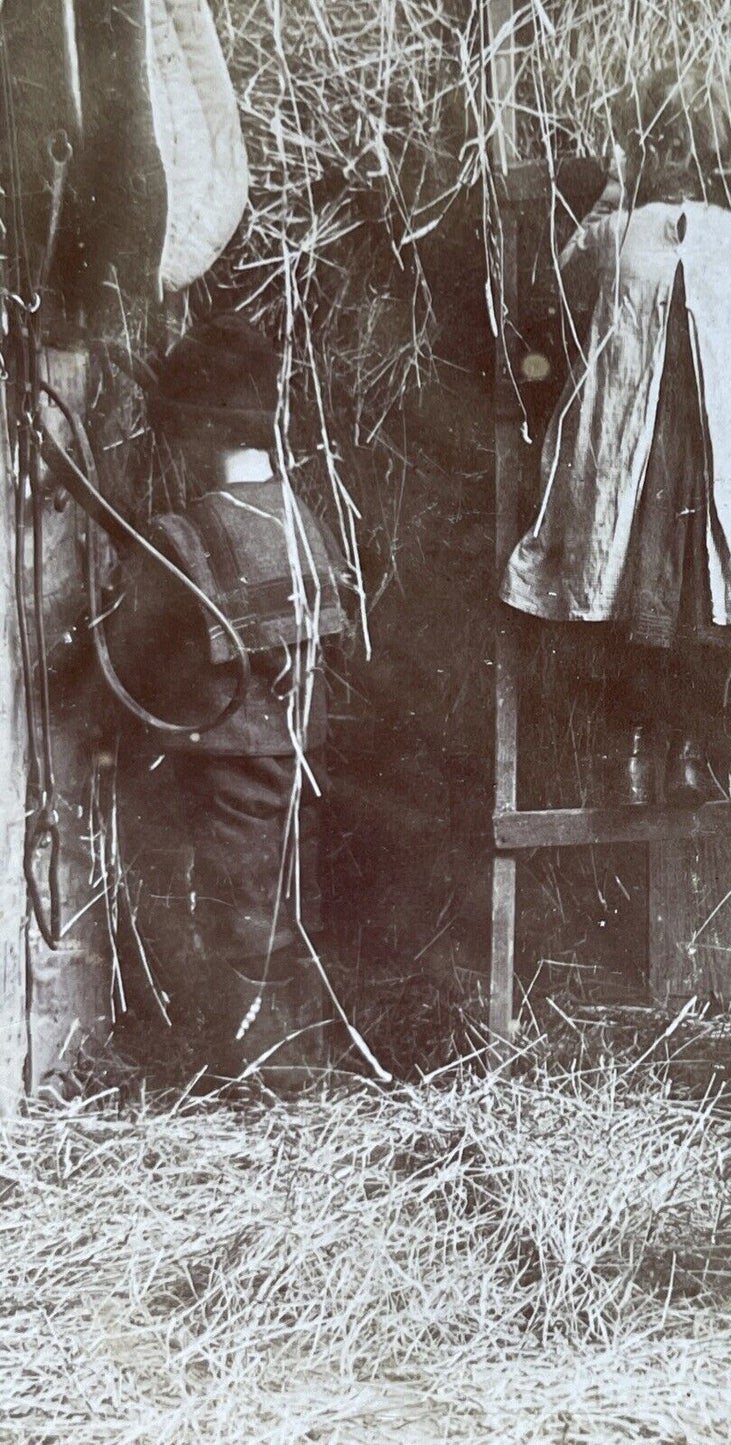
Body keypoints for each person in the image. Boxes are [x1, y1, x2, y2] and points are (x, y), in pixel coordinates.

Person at [499, 65, 731, 801]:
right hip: (685, 454)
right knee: (689, 592)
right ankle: (665, 753)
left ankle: (653, 754)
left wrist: (616, 192)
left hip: (656, 452)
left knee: (659, 591)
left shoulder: (617, 234)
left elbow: (568, 267)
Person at [105, 314, 348, 1083]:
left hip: (228, 757)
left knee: (236, 898)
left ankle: (265, 1070)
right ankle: (290, 1056)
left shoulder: (184, 534)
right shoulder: (306, 516)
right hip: (296, 749)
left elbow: (131, 650)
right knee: (280, 888)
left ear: (193, 431)